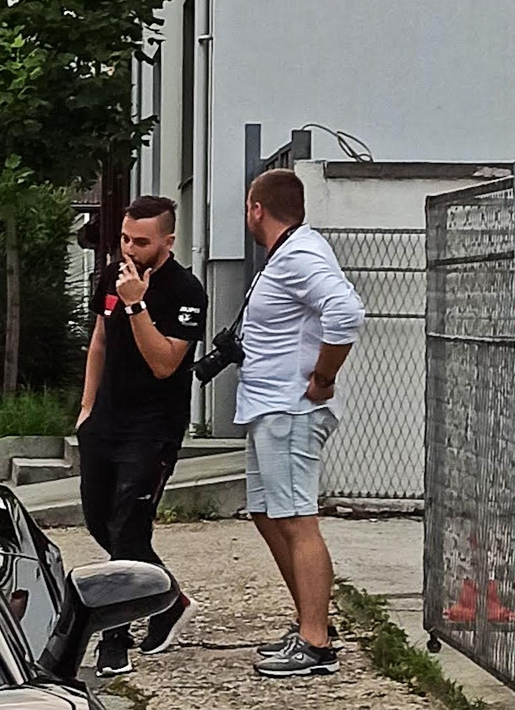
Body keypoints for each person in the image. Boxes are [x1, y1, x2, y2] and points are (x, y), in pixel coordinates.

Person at [236, 167, 365, 677]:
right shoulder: (288, 255)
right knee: (268, 515)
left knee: (296, 520)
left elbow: (346, 311)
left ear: (257, 208)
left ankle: (316, 644)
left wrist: (324, 376)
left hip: (290, 410)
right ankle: (310, 621)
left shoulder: (302, 255)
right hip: (266, 407)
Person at [76, 195, 206, 674]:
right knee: (99, 521)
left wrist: (137, 307)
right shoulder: (113, 274)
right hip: (105, 421)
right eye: (125, 238)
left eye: (142, 241)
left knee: (129, 529)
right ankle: (170, 600)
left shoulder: (184, 289)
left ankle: (116, 640)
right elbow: (100, 339)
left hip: (151, 429)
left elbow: (165, 362)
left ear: (167, 241)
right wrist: (87, 407)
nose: (130, 248)